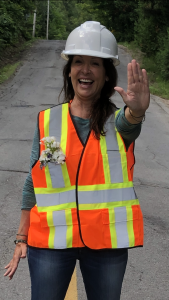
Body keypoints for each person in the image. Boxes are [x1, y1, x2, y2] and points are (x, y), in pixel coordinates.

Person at [4, 21, 150, 300]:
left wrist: (138, 112)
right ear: (69, 71)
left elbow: (130, 122)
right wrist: (21, 238)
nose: (85, 69)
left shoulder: (116, 123)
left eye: (95, 63)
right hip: (51, 242)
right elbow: (34, 181)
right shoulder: (49, 121)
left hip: (106, 243)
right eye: (78, 62)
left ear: (106, 75)